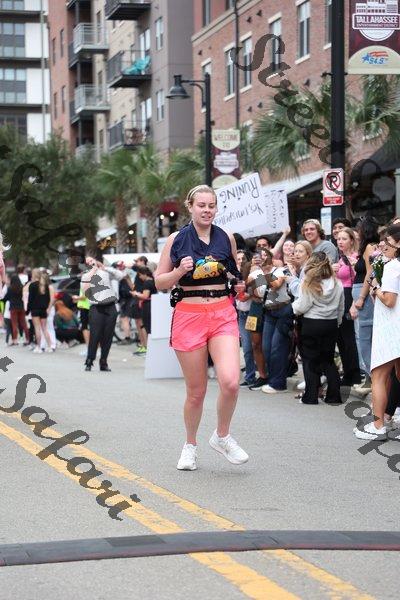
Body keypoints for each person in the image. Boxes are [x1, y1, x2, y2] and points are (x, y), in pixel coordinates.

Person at [154, 184, 248, 471]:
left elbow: (235, 276)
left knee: (231, 382)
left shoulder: (226, 237)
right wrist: (179, 271)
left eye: (211, 205)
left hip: (222, 312)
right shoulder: (177, 239)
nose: (207, 210)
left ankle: (222, 435)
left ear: (216, 208)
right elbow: (159, 281)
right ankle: (190, 445)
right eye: (201, 205)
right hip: (189, 314)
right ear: (190, 207)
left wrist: (240, 284)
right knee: (196, 391)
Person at [355, 224, 400, 439]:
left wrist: (375, 287)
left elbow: (389, 301)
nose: (383, 245)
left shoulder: (392, 267)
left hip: (390, 328)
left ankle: (378, 426)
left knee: (379, 377)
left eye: (388, 241)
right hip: (393, 325)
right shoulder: (391, 265)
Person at [293, 252, 344, 405]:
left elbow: (302, 306)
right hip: (330, 323)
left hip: (311, 323)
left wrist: (293, 308)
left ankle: (311, 396)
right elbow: (341, 307)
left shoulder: (309, 283)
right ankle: (334, 396)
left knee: (310, 360)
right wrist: (337, 322)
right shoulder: (337, 283)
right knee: (328, 360)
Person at [248, 250, 294, 394]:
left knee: (277, 347)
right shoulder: (256, 272)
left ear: (271, 257)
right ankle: (272, 378)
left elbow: (276, 284)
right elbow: (251, 289)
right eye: (258, 256)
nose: (261, 259)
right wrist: (254, 273)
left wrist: (260, 278)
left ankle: (279, 383)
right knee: (266, 348)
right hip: (268, 312)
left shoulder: (282, 270)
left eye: (264, 256)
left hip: (283, 310)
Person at [349, 216, 380, 393]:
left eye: (359, 228)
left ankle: (373, 378)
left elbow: (370, 273)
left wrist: (361, 297)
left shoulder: (370, 247)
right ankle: (370, 378)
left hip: (365, 296)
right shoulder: (366, 247)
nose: (357, 232)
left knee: (365, 338)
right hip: (361, 293)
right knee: (362, 337)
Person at [81, 256, 124, 372]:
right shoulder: (86, 276)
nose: (91, 262)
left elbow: (120, 276)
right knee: (95, 335)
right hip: (96, 307)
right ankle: (89, 360)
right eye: (88, 262)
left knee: (108, 336)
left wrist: (105, 268)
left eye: (92, 260)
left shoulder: (105, 272)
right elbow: (85, 291)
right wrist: (93, 272)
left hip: (110, 306)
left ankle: (103, 361)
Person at [333, 227, 362, 386]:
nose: (340, 242)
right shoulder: (340, 258)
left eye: (344, 239)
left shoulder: (356, 257)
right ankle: (348, 373)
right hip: (339, 297)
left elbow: (360, 279)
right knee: (341, 338)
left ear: (352, 240)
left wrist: (353, 303)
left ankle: (355, 373)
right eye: (338, 239)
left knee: (349, 337)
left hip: (350, 295)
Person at [236, 249, 256, 387]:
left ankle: (260, 374)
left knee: (254, 346)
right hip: (241, 315)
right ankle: (250, 376)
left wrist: (250, 294)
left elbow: (263, 286)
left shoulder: (253, 273)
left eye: (243, 259)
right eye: (238, 259)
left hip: (252, 313)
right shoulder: (233, 274)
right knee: (247, 348)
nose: (240, 261)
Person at [131, 266, 157, 353]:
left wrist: (136, 294)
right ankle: (148, 347)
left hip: (147, 306)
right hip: (152, 305)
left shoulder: (147, 283)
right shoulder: (153, 281)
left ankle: (147, 346)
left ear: (144, 274)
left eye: (140, 275)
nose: (140, 277)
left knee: (146, 326)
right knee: (149, 326)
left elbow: (145, 296)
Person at [27, 268, 52, 353]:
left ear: (33, 275)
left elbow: (30, 299)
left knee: (37, 328)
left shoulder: (32, 285)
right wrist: (46, 307)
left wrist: (27, 310)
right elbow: (48, 298)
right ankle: (50, 346)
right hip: (43, 310)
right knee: (44, 328)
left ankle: (38, 347)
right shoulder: (45, 285)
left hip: (35, 309)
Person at [2, 274, 30, 345]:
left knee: (14, 324)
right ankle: (28, 339)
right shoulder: (22, 287)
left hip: (13, 308)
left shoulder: (10, 288)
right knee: (24, 324)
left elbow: (6, 298)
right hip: (21, 307)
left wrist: (3, 299)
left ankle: (15, 340)